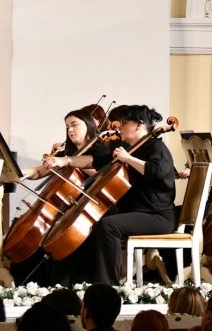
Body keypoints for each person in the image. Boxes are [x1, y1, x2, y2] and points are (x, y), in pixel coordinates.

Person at [47, 105, 177, 285]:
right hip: (135, 213)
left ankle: (107, 285)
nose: (119, 127)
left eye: (124, 123)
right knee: (90, 225)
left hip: (157, 215)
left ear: (138, 125)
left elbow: (157, 172)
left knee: (109, 226)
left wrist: (128, 159)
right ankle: (74, 282)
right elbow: (94, 160)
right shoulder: (128, 147)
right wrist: (66, 160)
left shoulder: (157, 147)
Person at [12, 113, 98, 284]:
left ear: (88, 125)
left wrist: (68, 161)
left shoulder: (99, 150)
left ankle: (52, 286)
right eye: (67, 127)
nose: (70, 130)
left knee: (45, 246)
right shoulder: (67, 152)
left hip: (82, 211)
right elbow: (39, 171)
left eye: (74, 125)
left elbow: (99, 173)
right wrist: (21, 173)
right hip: (63, 209)